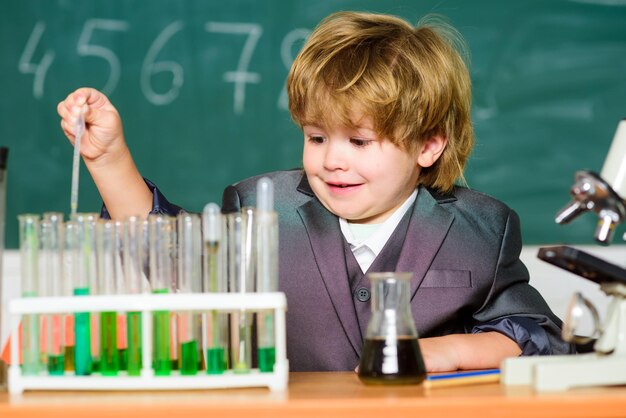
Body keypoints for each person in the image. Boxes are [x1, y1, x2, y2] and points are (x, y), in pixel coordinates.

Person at [57, 11, 574, 372]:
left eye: (360, 140)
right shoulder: (262, 207)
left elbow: (539, 338)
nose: (332, 159)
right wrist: (108, 158)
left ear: (428, 146)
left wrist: (447, 352)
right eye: (316, 136)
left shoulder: (481, 227)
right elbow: (166, 250)